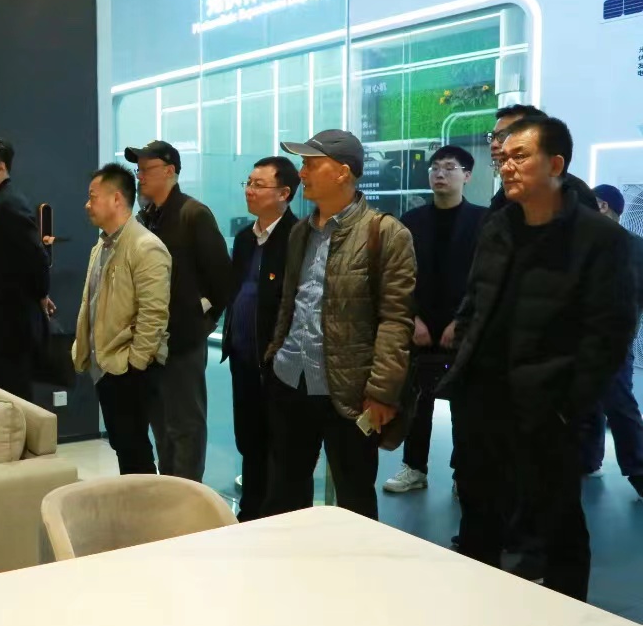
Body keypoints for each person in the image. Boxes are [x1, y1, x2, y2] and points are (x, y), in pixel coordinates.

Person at [440, 117, 638, 600]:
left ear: (556, 164)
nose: (506, 166)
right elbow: (475, 299)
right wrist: (464, 356)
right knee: (478, 521)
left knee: (557, 527)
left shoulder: (599, 238)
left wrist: (569, 405)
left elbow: (608, 335)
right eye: (504, 157)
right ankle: (478, 612)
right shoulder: (498, 226)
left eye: (520, 156)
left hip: (548, 411)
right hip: (481, 402)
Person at [263, 129, 416, 520]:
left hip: (348, 390)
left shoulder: (385, 233)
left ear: (343, 172)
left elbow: (396, 320)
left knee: (354, 499)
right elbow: (291, 302)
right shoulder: (301, 232)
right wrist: (274, 355)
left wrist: (382, 392)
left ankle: (354, 561)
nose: (302, 173)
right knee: (284, 493)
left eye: (311, 164)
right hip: (291, 379)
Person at [383, 146, 487, 494]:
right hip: (420, 327)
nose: (440, 174)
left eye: (449, 168)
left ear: (467, 176)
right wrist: (412, 318)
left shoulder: (483, 221)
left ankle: (463, 473)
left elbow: (484, 279)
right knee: (416, 401)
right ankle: (414, 467)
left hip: (464, 327)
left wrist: (462, 322)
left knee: (465, 406)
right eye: (435, 168)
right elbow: (397, 276)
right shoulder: (411, 221)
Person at [130, 140, 233, 481]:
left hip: (183, 341)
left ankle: (188, 497)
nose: (140, 176)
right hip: (151, 341)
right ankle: (168, 489)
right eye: (138, 169)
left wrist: (200, 318)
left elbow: (222, 279)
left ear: (170, 170)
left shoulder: (193, 214)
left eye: (147, 169)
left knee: (185, 425)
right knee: (161, 424)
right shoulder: (146, 218)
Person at [72, 164, 172, 475]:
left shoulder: (145, 246)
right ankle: (131, 500)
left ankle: (145, 504)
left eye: (93, 197)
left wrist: (135, 364)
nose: (87, 204)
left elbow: (154, 314)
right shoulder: (102, 245)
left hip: (128, 369)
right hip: (107, 365)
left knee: (134, 449)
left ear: (116, 199)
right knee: (123, 445)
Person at [223, 157, 299, 520]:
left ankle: (275, 517)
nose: (250, 190)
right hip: (242, 357)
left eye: (259, 184)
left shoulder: (297, 237)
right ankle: (250, 513)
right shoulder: (244, 238)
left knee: (278, 444)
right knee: (248, 439)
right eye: (248, 183)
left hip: (277, 362)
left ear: (284, 193)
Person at [0, 136, 52, 401]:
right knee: (6, 395)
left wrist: (41, 293)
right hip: (0, 326)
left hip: (12, 327)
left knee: (16, 399)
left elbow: (36, 257)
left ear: (0, 166)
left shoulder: (10, 204)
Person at [578, 184, 643, 497]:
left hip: (614, 341)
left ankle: (639, 470)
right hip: (576, 339)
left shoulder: (635, 248)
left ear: (602, 206)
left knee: (619, 404)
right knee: (585, 403)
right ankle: (588, 461)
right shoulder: (579, 246)